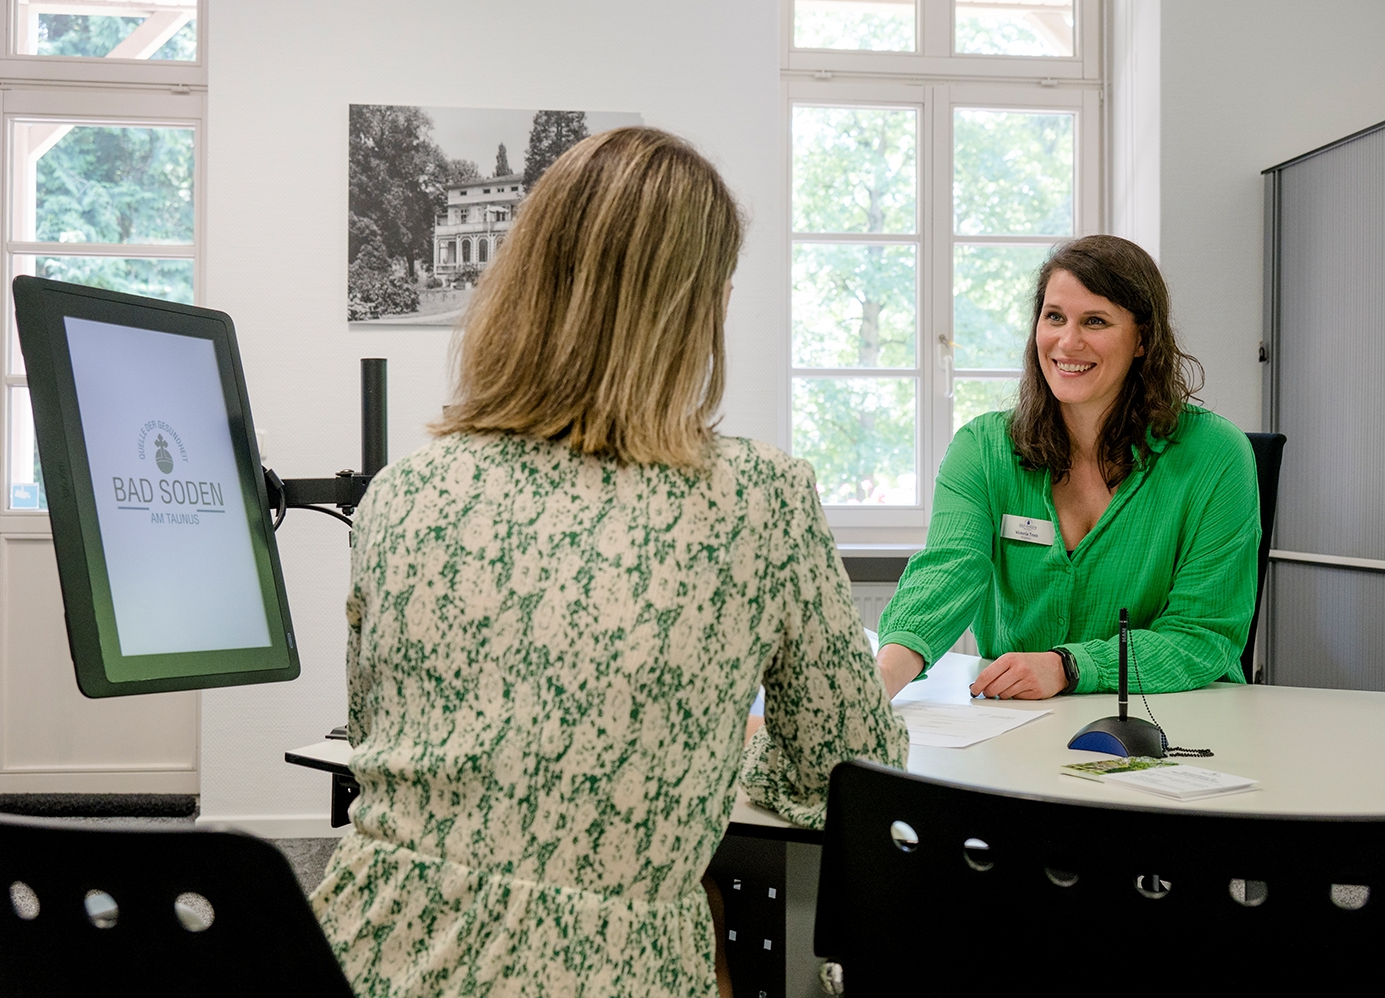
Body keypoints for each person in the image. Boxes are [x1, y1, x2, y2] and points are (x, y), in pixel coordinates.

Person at [310, 126, 905, 998]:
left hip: (354, 955)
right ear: (696, 307)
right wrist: (695, 762)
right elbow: (844, 767)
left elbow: (379, 738)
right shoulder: (760, 498)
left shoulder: (403, 491)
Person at [876, 235, 1260, 701]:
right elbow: (946, 573)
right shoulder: (983, 448)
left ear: (1143, 339)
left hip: (1174, 727)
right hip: (1017, 725)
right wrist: (876, 683)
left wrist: (1070, 667)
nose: (1067, 341)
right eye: (1054, 317)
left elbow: (1203, 635)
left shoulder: (1217, 456)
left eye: (1095, 321)